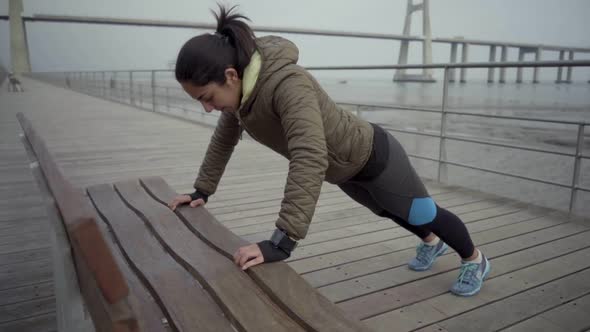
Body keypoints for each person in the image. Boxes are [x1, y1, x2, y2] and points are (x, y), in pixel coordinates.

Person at [167, 5, 490, 297]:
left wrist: (282, 241)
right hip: (344, 170)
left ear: (230, 76)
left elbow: (309, 154)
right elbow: (222, 142)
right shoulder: (239, 101)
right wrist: (202, 190)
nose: (208, 108)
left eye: (207, 97)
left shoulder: (288, 84)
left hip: (374, 155)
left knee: (420, 212)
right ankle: (431, 243)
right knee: (388, 210)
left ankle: (474, 259)